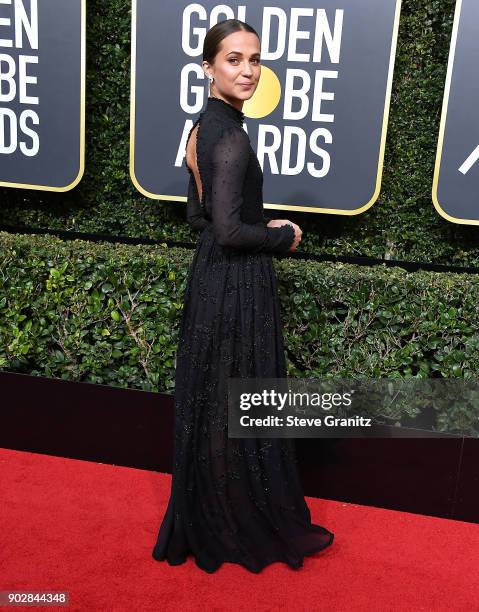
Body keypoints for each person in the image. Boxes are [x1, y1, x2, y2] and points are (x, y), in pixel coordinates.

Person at [152, 18, 334, 574]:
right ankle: (238, 521)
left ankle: (210, 513)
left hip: (211, 275)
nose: (248, 70)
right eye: (234, 59)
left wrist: (256, 216)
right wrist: (284, 235)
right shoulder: (229, 134)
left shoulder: (200, 126)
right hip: (236, 280)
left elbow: (199, 217)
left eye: (255, 59)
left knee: (215, 399)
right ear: (207, 66)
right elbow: (232, 232)